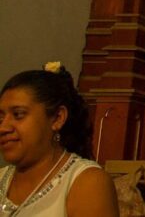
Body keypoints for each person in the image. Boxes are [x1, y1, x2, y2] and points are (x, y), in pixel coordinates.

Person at [0, 64, 118, 216]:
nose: (3, 128)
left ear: (57, 118)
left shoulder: (87, 183)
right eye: (0, 118)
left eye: (18, 115)